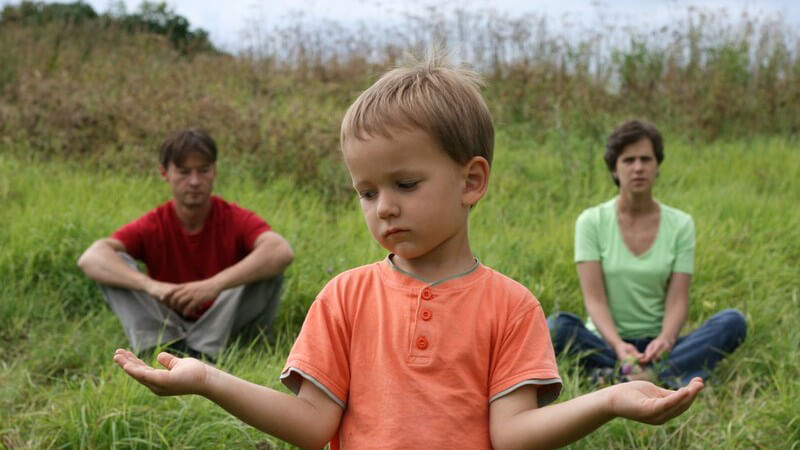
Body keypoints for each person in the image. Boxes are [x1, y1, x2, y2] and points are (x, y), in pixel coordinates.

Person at [113, 58, 704, 449]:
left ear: (472, 181)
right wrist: (208, 380)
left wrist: (610, 399)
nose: (383, 208)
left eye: (405, 184)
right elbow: (313, 424)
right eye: (366, 192)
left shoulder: (511, 306)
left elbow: (512, 433)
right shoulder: (345, 296)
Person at [548, 119, 747, 388]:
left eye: (646, 159)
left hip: (658, 345)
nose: (638, 167)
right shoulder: (591, 222)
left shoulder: (680, 224)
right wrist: (619, 345)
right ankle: (652, 374)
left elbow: (678, 299)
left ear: (657, 166)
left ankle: (628, 375)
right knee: (556, 326)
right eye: (628, 160)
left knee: (732, 322)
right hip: (607, 341)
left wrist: (665, 340)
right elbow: (594, 301)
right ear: (615, 169)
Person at [79, 128, 294, 360]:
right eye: (183, 172)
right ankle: (164, 346)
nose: (194, 182)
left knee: (267, 266)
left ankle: (205, 351)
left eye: (203, 171)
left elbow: (280, 250)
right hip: (168, 321)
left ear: (214, 172)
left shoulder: (233, 217)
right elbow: (91, 258)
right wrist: (151, 286)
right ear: (165, 173)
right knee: (114, 262)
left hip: (223, 323)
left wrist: (213, 285)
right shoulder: (155, 223)